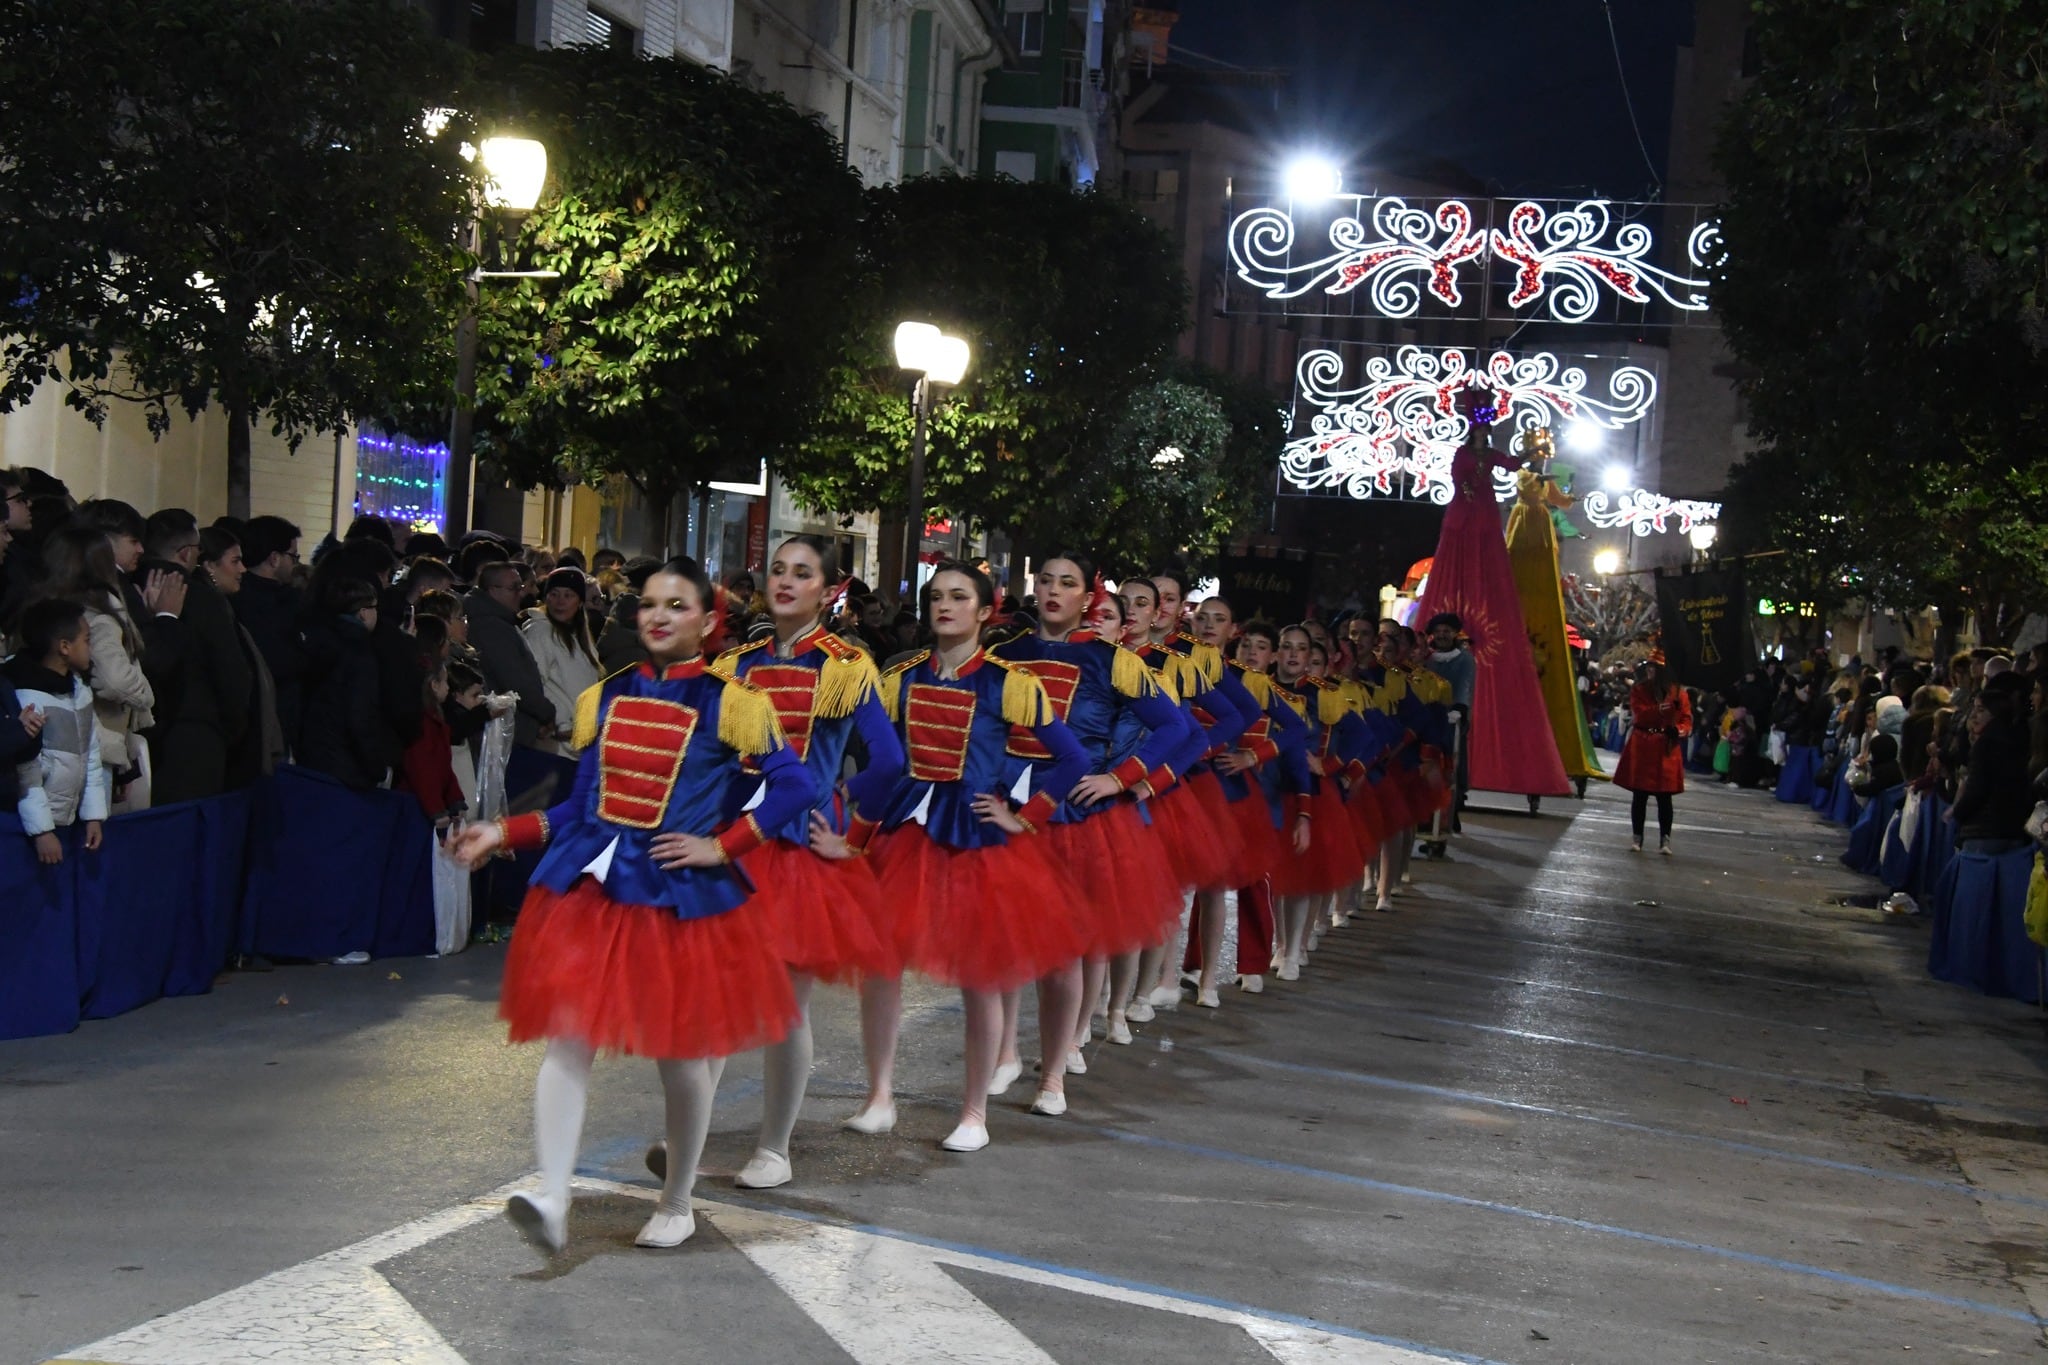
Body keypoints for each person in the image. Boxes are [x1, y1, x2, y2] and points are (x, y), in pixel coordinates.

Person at [450, 556, 816, 1254]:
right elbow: (577, 810)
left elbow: (796, 786)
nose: (658, 616)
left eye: (678, 606)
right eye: (649, 603)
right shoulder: (608, 695)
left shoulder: (732, 701)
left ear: (708, 622)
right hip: (597, 890)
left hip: (676, 899)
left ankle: (677, 1201)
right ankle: (553, 1195)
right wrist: (502, 832)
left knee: (680, 1055)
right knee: (568, 1035)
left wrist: (724, 846)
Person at [664, 534, 905, 1189]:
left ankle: (775, 1148)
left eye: (803, 573)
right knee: (715, 994)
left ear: (828, 591)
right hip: (732, 844)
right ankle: (689, 1139)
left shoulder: (845, 665)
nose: (786, 581)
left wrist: (850, 829)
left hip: (797, 855)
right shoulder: (734, 663)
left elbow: (888, 761)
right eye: (777, 570)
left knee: (783, 1005)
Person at [850, 561, 1090, 1152]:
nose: (944, 606)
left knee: (981, 975)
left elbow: (1074, 759)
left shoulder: (1009, 682)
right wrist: (855, 834)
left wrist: (1024, 817)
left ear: (985, 612)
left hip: (976, 838)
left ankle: (974, 1113)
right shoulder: (900, 676)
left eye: (959, 597)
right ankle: (879, 1096)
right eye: (936, 596)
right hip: (906, 831)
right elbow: (882, 763)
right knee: (880, 963)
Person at [989, 553, 1187, 1102]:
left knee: (1064, 953)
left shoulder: (1111, 661)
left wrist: (1119, 779)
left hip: (1073, 816)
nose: (1054, 591)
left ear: (1087, 598)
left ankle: (1053, 1073)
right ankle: (1005, 1052)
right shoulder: (1005, 653)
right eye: (1046, 580)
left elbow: (1174, 728)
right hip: (1007, 809)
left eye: (1068, 583)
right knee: (1004, 941)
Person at [39, 524, 160, 812]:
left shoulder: (38, 605)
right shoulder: (100, 610)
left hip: (46, 740)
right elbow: (115, 680)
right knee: (91, 831)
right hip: (95, 744)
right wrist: (146, 695)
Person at [143, 510, 253, 804]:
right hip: (194, 736)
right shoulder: (202, 598)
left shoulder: (126, 587)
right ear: (186, 552)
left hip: (139, 736)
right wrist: (229, 729)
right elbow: (231, 673)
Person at [7, 598, 104, 865]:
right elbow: (26, 771)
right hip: (31, 829)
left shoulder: (79, 691)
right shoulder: (27, 698)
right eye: (87, 640)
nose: (91, 648)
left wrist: (93, 815)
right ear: (64, 647)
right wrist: (42, 830)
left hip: (69, 822)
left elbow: (91, 754)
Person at [296, 578, 390, 790]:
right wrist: (376, 766)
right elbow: (360, 715)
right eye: (374, 608)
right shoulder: (360, 651)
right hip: (346, 767)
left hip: (313, 757)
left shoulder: (317, 641)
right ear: (363, 612)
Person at [234, 516, 308, 751]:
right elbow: (282, 660)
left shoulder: (235, 596)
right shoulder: (279, 605)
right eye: (293, 556)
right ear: (274, 558)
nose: (296, 564)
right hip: (270, 719)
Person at [467, 561, 557, 750]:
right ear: (493, 590)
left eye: (521, 586)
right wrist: (546, 713)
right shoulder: (491, 628)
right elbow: (515, 681)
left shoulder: (499, 622)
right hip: (508, 733)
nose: (521, 593)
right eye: (514, 588)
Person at [1615, 654, 1691, 854]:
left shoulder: (1679, 693)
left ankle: (1665, 839)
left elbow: (1686, 720)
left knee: (1665, 797)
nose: (1650, 670)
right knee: (1639, 795)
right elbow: (1641, 715)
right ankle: (1637, 837)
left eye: (1654, 667)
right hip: (1644, 745)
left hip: (1666, 748)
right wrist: (1662, 709)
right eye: (1649, 666)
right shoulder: (1639, 689)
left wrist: (1679, 731)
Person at [1949, 675, 2034, 854]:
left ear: (1996, 713)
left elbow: (1977, 788)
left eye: (1980, 710)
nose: (1973, 715)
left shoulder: (1987, 744)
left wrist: (1957, 812)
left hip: (1985, 831)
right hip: (2013, 831)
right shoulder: (2017, 737)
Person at [522, 567, 603, 753]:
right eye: (554, 594)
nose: (560, 601)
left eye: (568, 595)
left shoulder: (580, 637)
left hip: (577, 744)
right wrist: (561, 723)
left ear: (580, 601)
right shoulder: (540, 632)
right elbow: (535, 684)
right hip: (556, 745)